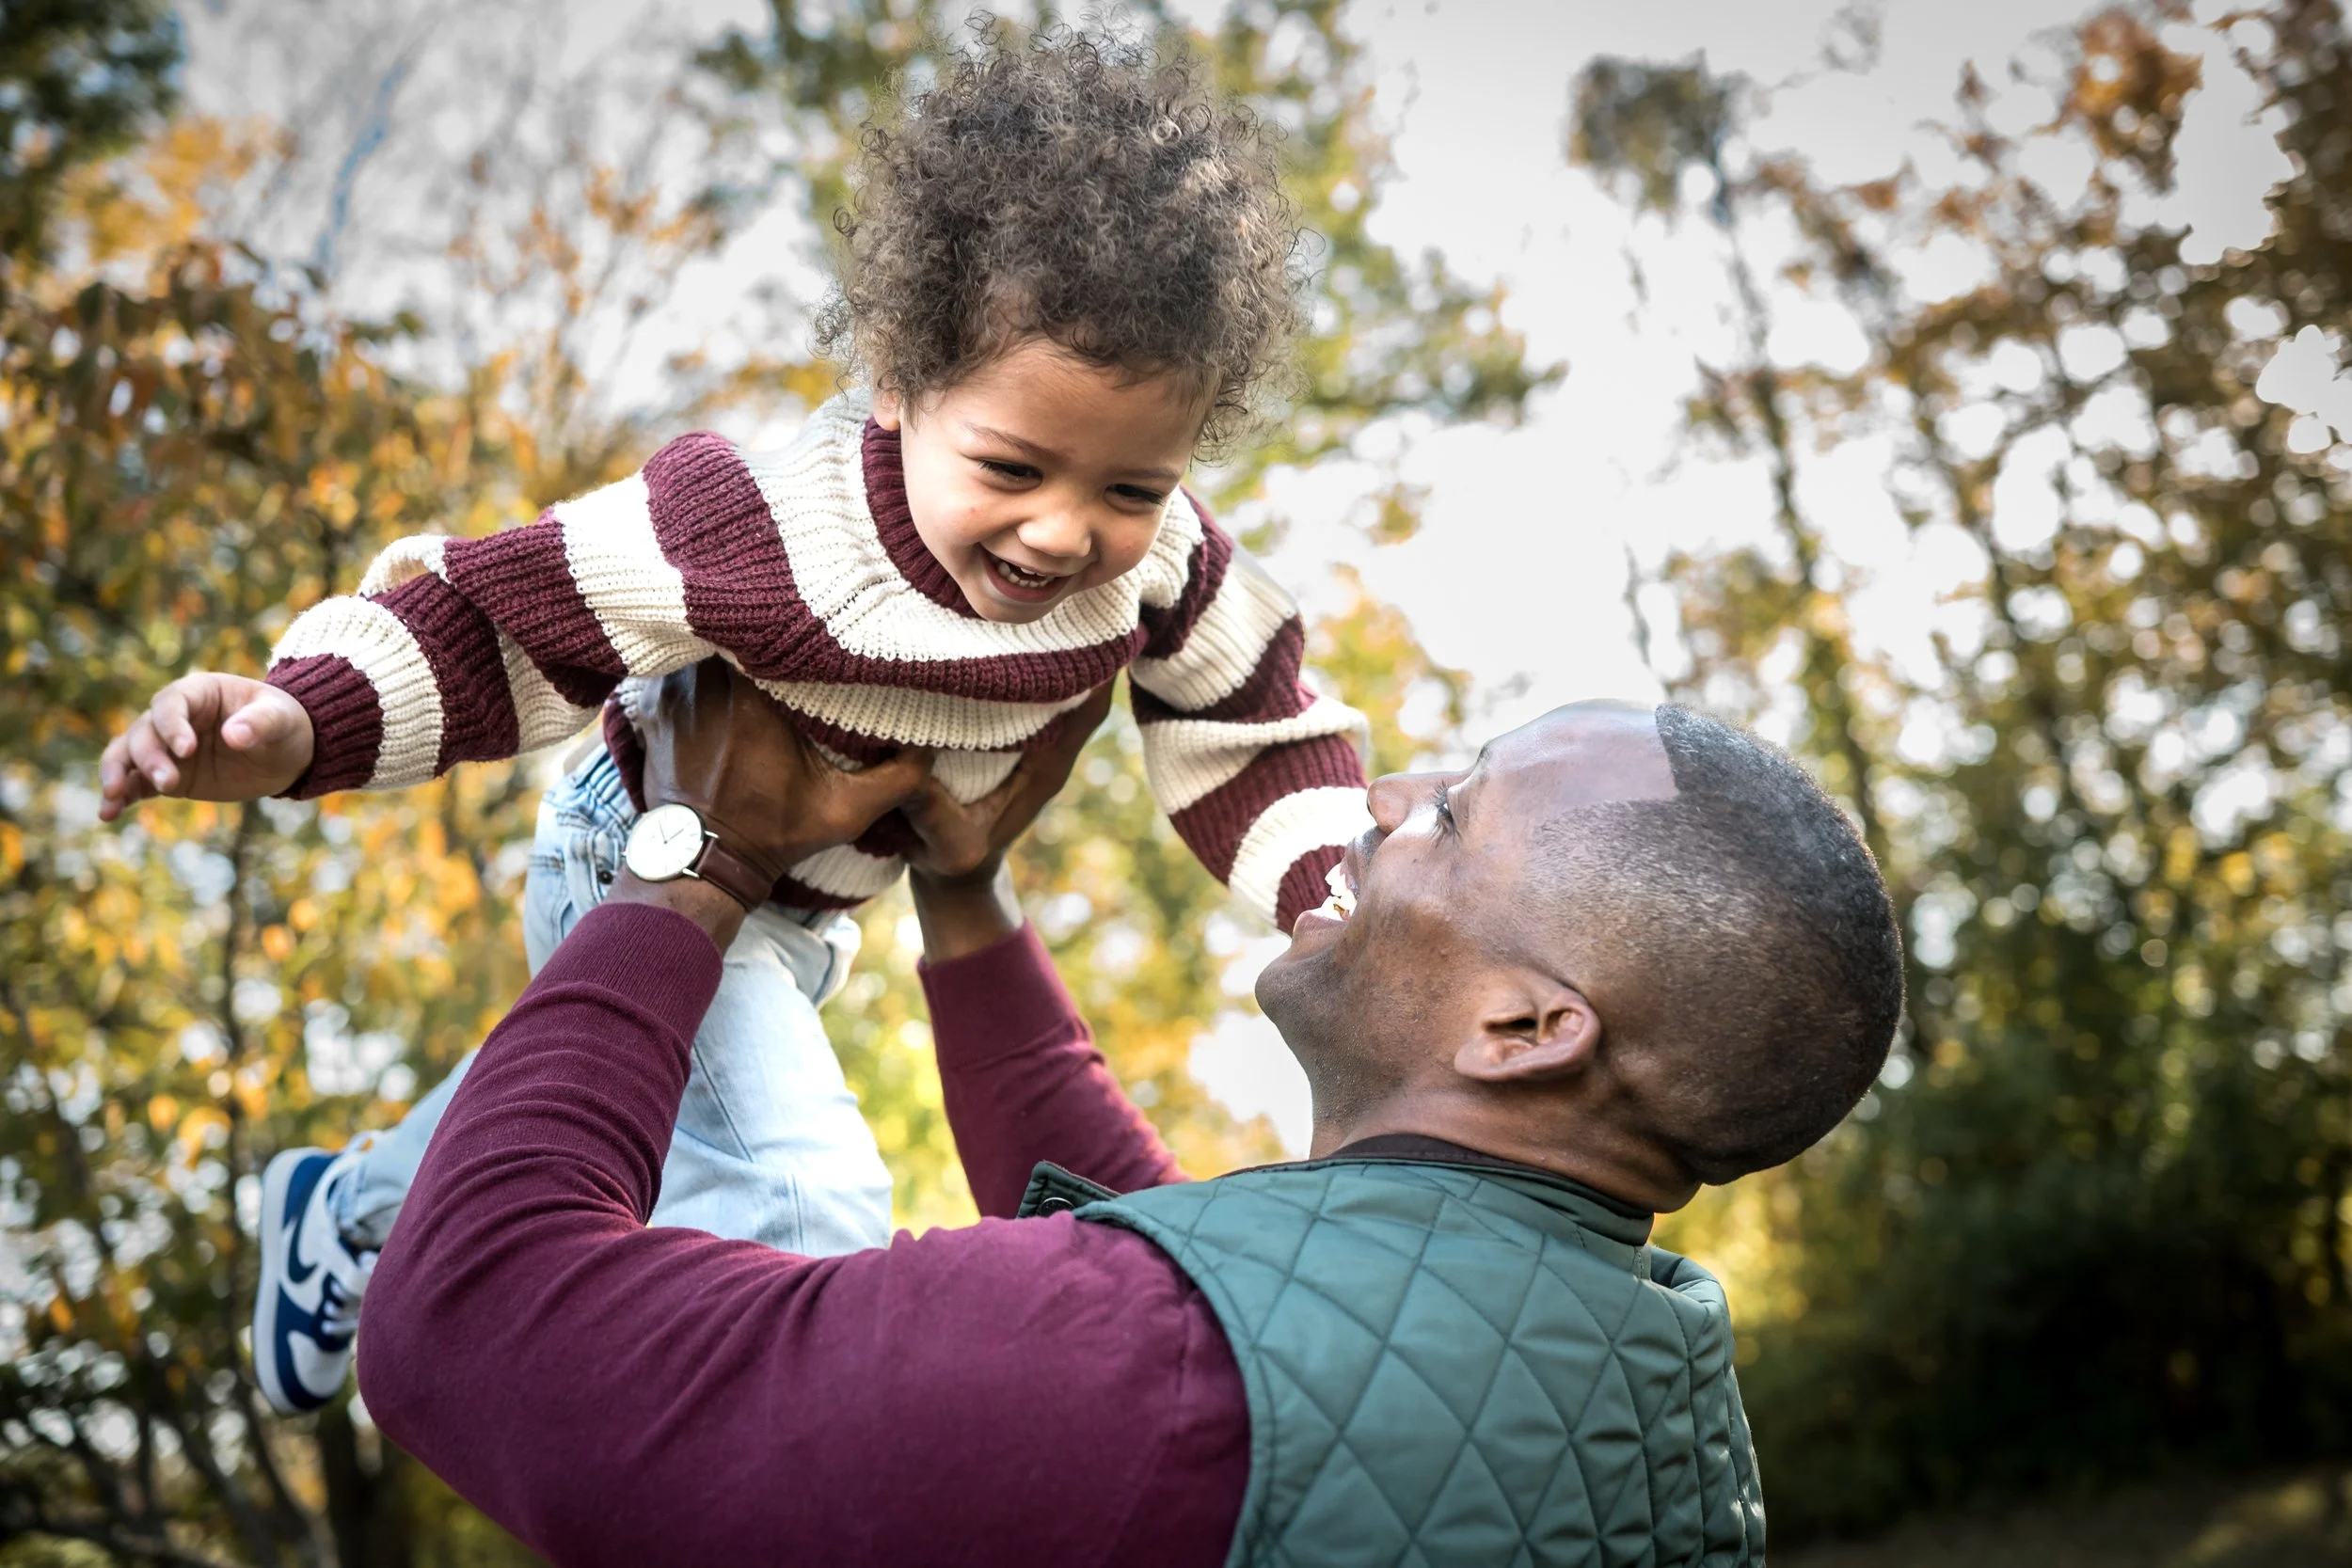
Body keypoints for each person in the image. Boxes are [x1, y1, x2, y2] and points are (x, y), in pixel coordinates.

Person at [90, 32, 1373, 1415]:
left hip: (812, 905)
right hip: (640, 837)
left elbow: (1255, 717)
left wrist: (1337, 892)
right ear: (900, 382)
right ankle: (766, 1473)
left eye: (1132, 485)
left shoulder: (1166, 561)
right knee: (804, 1193)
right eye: (1012, 466)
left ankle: (344, 1210)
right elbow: (505, 614)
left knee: (597, 1094)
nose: (1067, 531)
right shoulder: (762, 530)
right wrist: (299, 720)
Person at [358, 658, 1905, 1567]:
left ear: (1525, 1026)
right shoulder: (1608, 1348)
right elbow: (1178, 1250)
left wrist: (687, 859)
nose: (1375, 798)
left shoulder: (1161, 1379)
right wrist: (963, 892)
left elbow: (480, 1330)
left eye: (1448, 812)